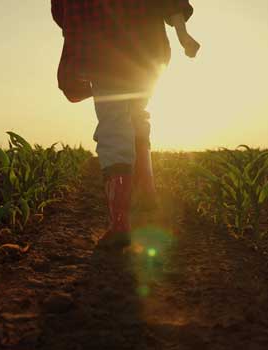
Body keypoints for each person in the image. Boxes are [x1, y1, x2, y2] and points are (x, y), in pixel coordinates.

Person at [51, 0, 200, 249]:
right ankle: (146, 195)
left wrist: (72, 58)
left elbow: (67, 15)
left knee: (113, 126)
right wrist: (183, 35)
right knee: (137, 115)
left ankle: (120, 223)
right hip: (147, 54)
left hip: (103, 54)